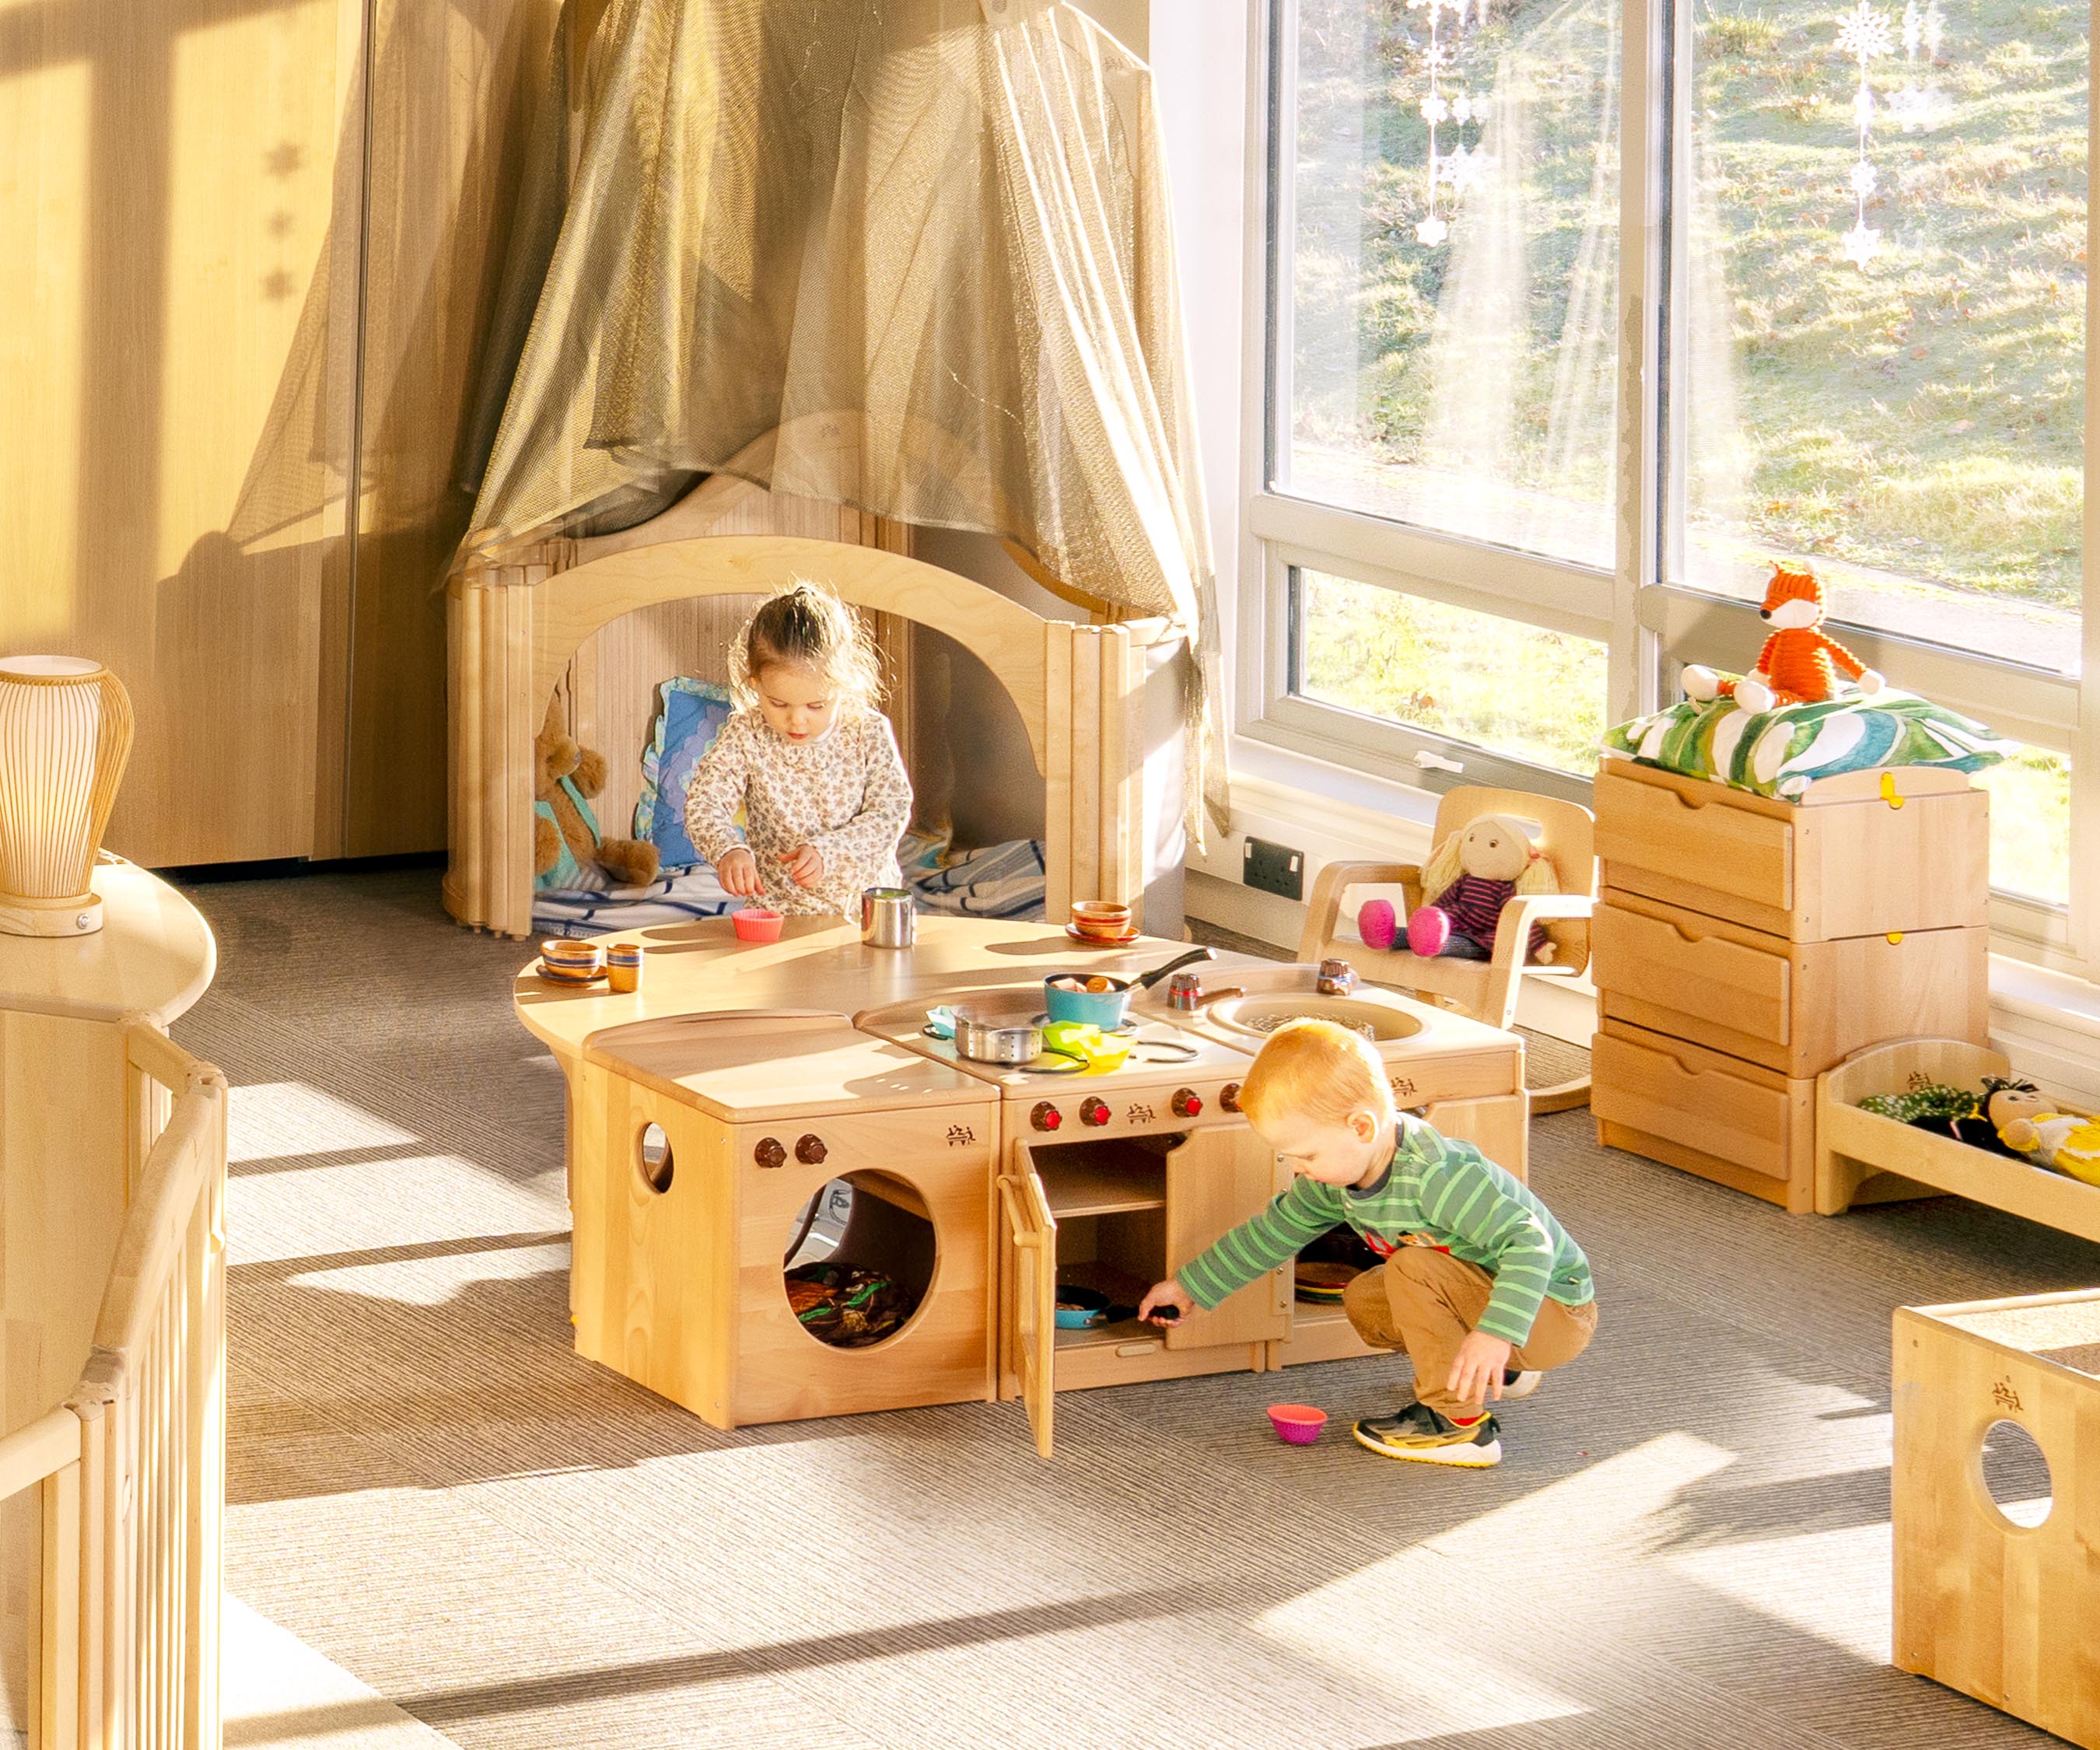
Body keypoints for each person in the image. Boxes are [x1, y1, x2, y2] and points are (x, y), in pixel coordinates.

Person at [1136, 1019, 1596, 1467]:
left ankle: (1461, 1426)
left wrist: (1496, 1333)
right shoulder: (1339, 1178)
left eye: (1307, 1154)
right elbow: (1274, 1232)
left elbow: (1531, 1245)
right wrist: (1190, 1287)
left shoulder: (1436, 1178)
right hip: (1501, 1297)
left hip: (1554, 1309)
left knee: (1412, 1269)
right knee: (1368, 1301)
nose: (1297, 1168)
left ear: (1361, 1128)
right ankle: (1500, 1370)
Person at [684, 582, 913, 919]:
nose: (797, 721)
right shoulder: (747, 732)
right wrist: (727, 849)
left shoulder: (867, 731)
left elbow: (891, 809)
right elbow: (706, 802)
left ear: (844, 686)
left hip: (862, 913)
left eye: (816, 705)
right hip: (778, 912)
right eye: (778, 703)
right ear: (755, 684)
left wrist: (829, 852)